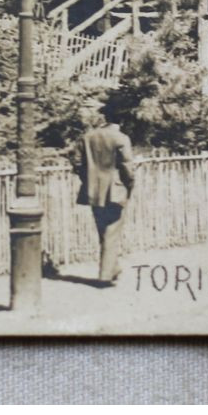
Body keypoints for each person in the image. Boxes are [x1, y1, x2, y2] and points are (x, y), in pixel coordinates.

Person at [75, 99, 137, 285]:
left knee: (104, 230)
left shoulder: (88, 136)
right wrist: (130, 185)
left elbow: (77, 163)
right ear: (122, 121)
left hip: (93, 191)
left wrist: (88, 181)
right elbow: (127, 167)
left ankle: (113, 267)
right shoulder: (121, 138)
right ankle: (105, 275)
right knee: (112, 232)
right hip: (115, 190)